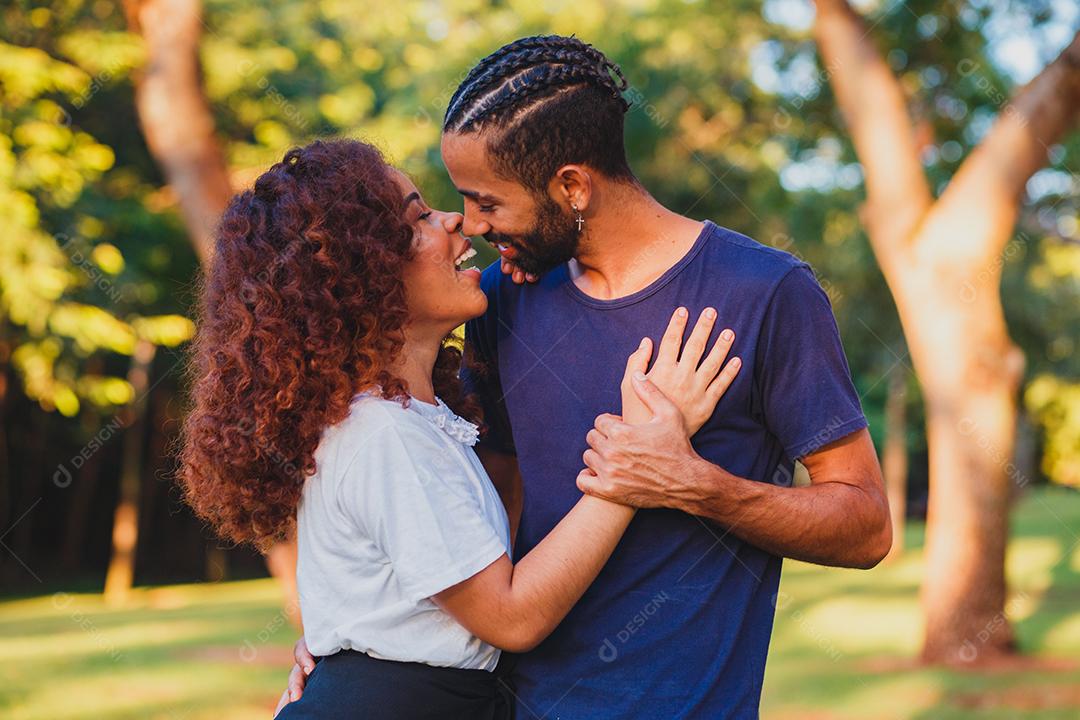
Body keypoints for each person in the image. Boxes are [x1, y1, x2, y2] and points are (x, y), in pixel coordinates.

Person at [280, 35, 891, 719]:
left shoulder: (766, 293)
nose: (474, 226)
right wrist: (356, 643)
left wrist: (699, 486)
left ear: (571, 186)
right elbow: (477, 517)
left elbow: (865, 528)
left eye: (487, 202)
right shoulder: (498, 303)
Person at [176, 138, 740, 719]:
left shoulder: (413, 422)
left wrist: (340, 644)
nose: (452, 219)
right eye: (418, 217)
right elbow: (513, 615)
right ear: (364, 273)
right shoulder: (380, 434)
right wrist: (631, 463)